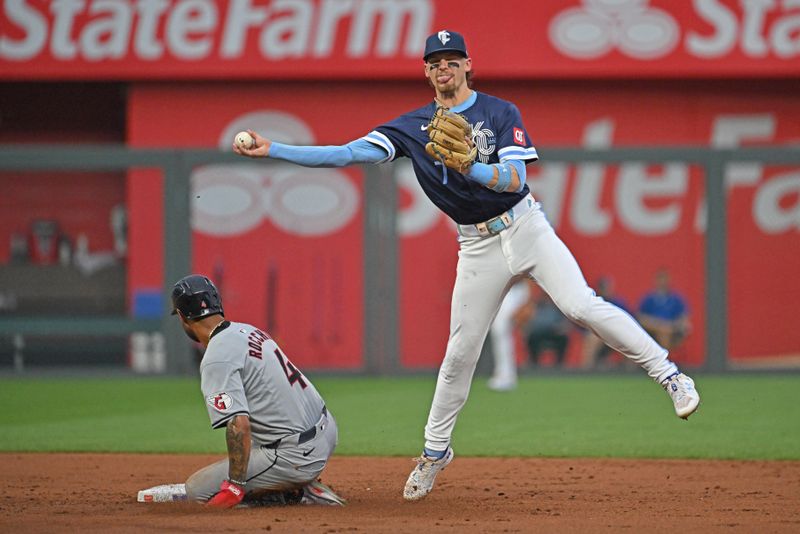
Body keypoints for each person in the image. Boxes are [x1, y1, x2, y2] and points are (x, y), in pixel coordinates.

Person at [233, 29, 701, 502]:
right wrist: (275, 149)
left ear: (468, 65)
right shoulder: (412, 127)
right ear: (425, 71)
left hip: (524, 225)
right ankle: (435, 452)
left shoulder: (499, 112)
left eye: (453, 60)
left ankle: (670, 376)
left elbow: (515, 177)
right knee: (460, 352)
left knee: (580, 305)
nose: (444, 68)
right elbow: (348, 153)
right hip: (476, 245)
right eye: (436, 61)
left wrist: (471, 167)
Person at [171, 274, 345, 507]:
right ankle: (294, 479)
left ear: (182, 317)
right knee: (257, 444)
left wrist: (235, 484)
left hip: (296, 456)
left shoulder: (215, 358)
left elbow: (239, 425)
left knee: (198, 491)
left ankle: (295, 493)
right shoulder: (248, 331)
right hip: (327, 431)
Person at [486, 278, 533, 391]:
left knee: (501, 329)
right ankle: (503, 374)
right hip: (502, 289)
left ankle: (506, 376)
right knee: (499, 330)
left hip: (515, 290)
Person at [581, 276, 631, 369]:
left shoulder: (618, 303)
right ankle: (586, 371)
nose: (607, 290)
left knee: (629, 338)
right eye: (604, 288)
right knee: (592, 339)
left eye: (608, 287)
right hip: (598, 334)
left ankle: (630, 372)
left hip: (617, 333)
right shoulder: (593, 303)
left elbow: (629, 320)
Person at [637, 269, 691, 353]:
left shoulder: (676, 299)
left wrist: (672, 326)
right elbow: (641, 317)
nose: (662, 283)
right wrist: (658, 325)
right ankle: (663, 358)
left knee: (666, 331)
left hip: (672, 330)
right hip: (652, 330)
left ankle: (663, 356)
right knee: (662, 330)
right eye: (660, 280)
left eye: (665, 280)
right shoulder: (649, 299)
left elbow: (684, 318)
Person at [524, 290, 572, 368]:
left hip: (554, 332)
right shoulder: (537, 307)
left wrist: (560, 328)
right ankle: (533, 364)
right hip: (539, 332)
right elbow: (530, 322)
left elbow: (565, 324)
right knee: (531, 337)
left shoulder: (558, 307)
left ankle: (560, 365)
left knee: (564, 339)